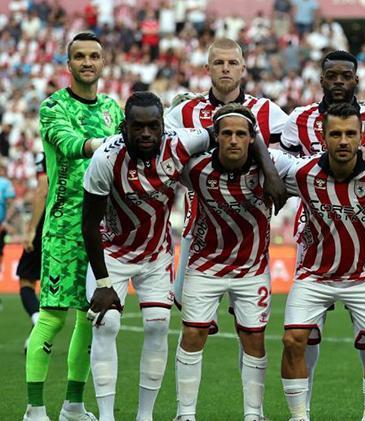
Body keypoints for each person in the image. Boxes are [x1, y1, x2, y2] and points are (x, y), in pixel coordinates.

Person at [280, 49, 365, 415]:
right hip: (313, 249)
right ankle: (300, 413)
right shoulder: (299, 122)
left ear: (356, 79)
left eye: (345, 75)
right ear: (321, 79)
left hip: (363, 259)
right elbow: (274, 169)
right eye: (331, 75)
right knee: (300, 338)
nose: (338, 81)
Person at [81, 91, 215, 421]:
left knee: (158, 326)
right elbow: (89, 224)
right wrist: (103, 283)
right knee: (106, 324)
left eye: (153, 126)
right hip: (112, 253)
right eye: (137, 126)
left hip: (156, 256)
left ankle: (145, 416)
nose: (146, 133)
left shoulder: (180, 143)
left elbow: (224, 131)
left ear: (162, 126)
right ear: (124, 127)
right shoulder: (105, 159)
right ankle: (107, 417)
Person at [25, 32, 123, 421]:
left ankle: (73, 405)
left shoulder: (113, 109)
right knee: (52, 317)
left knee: (90, 318)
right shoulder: (53, 107)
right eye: (79, 56)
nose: (87, 62)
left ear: (102, 63)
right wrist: (112, 144)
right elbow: (69, 143)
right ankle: (34, 409)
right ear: (69, 65)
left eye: (93, 56)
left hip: (100, 232)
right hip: (63, 230)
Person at [173, 104, 292, 421]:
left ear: (252, 138)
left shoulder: (274, 164)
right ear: (216, 136)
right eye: (227, 133)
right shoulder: (195, 168)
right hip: (205, 266)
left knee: (254, 338)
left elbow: (307, 169)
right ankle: (185, 414)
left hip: (252, 270)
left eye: (241, 134)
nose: (234, 140)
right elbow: (164, 153)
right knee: (193, 334)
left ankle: (254, 414)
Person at [166, 37, 288, 334]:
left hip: (251, 236)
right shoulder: (185, 112)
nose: (225, 68)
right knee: (191, 321)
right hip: (200, 231)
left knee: (251, 332)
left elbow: (299, 149)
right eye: (218, 63)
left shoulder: (266, 110)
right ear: (207, 68)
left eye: (232, 63)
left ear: (243, 68)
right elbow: (159, 146)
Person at [18, 153, 47, 353]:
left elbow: (43, 189)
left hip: (46, 222)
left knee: (26, 280)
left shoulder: (43, 156)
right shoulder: (76, 152)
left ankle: (37, 321)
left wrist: (31, 230)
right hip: (72, 222)